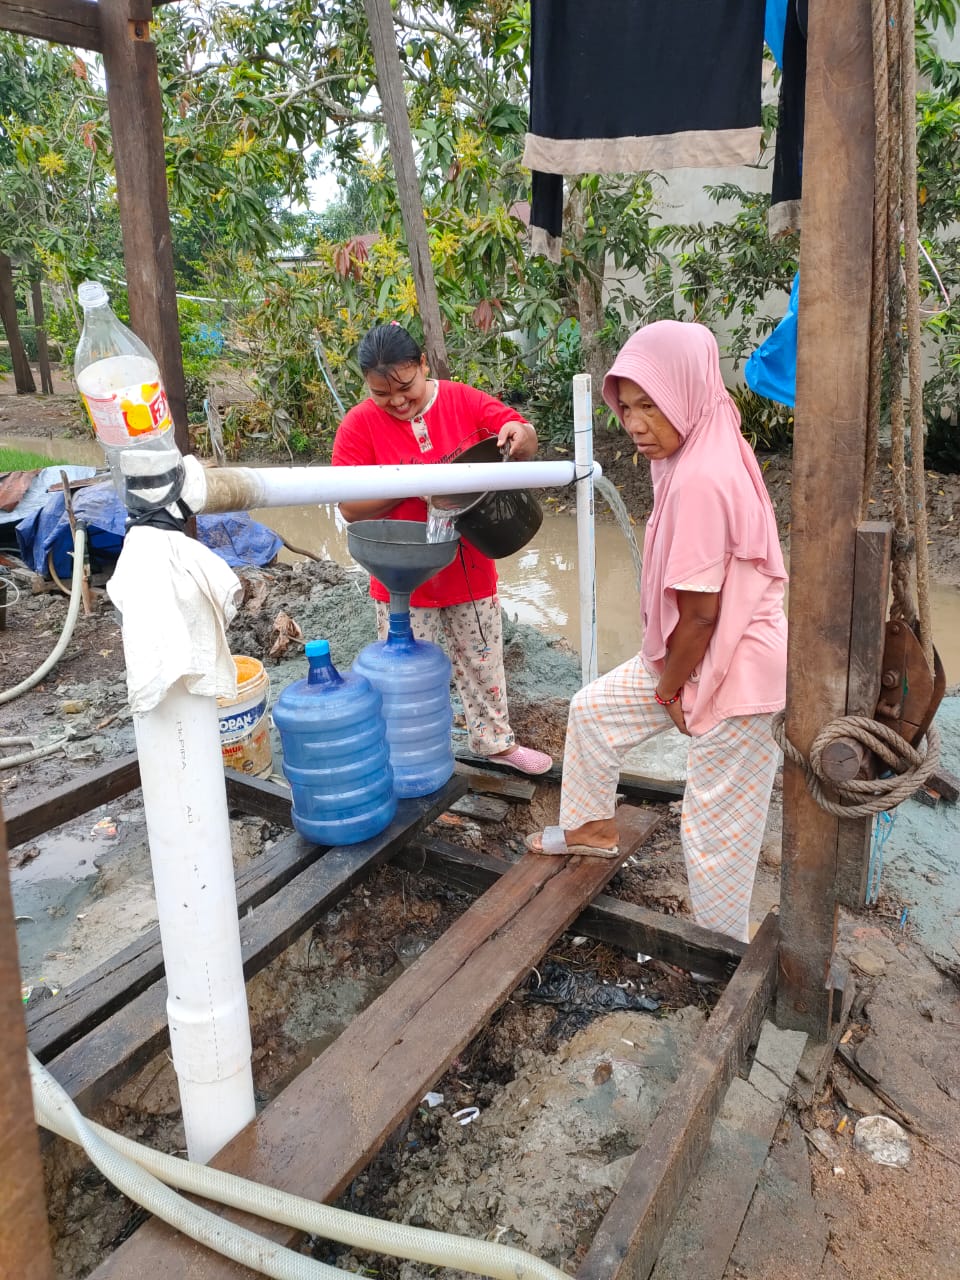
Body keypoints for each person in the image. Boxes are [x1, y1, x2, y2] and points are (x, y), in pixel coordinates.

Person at [527, 320, 787, 942]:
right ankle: (591, 830)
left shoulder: (699, 478)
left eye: (651, 405)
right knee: (592, 712)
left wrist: (670, 691)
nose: (636, 424)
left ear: (687, 392)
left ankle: (720, 947)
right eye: (627, 406)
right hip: (693, 654)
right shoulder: (709, 429)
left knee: (715, 825)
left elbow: (701, 615)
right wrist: (671, 677)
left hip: (736, 669)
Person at [331, 322, 553, 776]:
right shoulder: (358, 426)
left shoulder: (461, 399)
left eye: (405, 387)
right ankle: (411, 760)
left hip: (468, 566)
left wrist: (521, 434)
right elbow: (351, 506)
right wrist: (415, 482)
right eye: (380, 393)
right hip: (399, 579)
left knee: (483, 662)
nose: (396, 401)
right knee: (407, 678)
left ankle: (497, 743)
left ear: (423, 365)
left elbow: (519, 430)